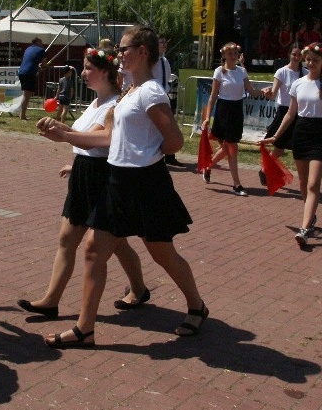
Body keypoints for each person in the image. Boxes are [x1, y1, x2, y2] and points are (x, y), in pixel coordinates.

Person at [42, 26, 207, 348]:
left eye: (123, 48)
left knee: (162, 253)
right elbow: (109, 137)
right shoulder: (130, 91)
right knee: (93, 250)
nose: (118, 54)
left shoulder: (151, 92)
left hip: (145, 184)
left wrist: (144, 156)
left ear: (142, 52)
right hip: (117, 181)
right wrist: (65, 135)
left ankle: (197, 306)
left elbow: (174, 142)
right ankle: (85, 329)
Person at [20, 46, 146, 318]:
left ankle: (138, 288)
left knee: (117, 244)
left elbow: (98, 140)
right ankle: (51, 300)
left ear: (105, 72)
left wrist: (64, 136)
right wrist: (59, 129)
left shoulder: (115, 106)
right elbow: (82, 136)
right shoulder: (96, 102)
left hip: (104, 178)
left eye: (89, 68)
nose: (83, 73)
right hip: (84, 174)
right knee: (67, 239)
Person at [261, 43, 322, 247]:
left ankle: (304, 228)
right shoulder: (298, 83)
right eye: (309, 60)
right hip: (301, 132)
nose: (311, 63)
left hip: (319, 133)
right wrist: (275, 136)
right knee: (303, 183)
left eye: (316, 60)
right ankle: (310, 217)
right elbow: (290, 113)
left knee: (313, 184)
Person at [200, 42, 263, 195]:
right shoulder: (219, 72)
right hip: (224, 110)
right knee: (232, 147)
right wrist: (207, 117)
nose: (233, 56)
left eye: (235, 53)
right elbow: (213, 96)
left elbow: (251, 91)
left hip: (236, 110)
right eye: (230, 54)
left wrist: (264, 92)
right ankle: (237, 184)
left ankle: (208, 166)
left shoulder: (242, 71)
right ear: (224, 55)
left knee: (226, 148)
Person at [259, 45, 305, 186]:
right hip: (285, 111)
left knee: (299, 148)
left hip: (299, 113)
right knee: (279, 148)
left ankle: (305, 179)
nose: (296, 57)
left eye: (299, 55)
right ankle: (264, 170)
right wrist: (267, 93)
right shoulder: (282, 72)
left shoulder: (305, 72)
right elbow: (273, 93)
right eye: (294, 54)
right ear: (289, 55)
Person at [155, 36, 183, 167]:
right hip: (155, 96)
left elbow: (167, 77)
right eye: (162, 42)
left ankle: (170, 156)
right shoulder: (151, 60)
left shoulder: (164, 60)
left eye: (165, 42)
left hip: (164, 95)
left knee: (169, 126)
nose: (164, 44)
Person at [17, 37, 48, 121]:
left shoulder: (27, 49)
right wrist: (42, 66)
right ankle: (22, 115)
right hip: (29, 73)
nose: (42, 44)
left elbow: (30, 60)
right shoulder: (41, 50)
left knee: (25, 94)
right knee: (26, 95)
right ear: (37, 42)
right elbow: (44, 63)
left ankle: (22, 113)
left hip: (21, 71)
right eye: (41, 42)